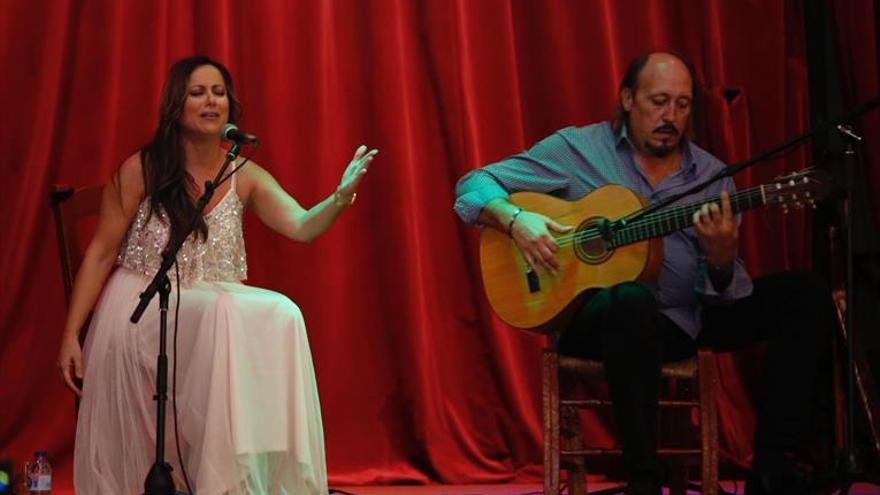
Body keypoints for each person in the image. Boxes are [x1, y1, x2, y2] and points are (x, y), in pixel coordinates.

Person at [454, 52, 831, 495]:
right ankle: (643, 479)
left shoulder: (711, 176)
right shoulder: (576, 150)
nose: (671, 116)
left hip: (685, 318)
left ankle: (772, 463)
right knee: (631, 299)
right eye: (659, 101)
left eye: (683, 104)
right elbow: (472, 185)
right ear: (628, 98)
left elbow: (721, 296)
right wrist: (517, 220)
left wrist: (722, 261)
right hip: (596, 319)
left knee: (805, 293)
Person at [56, 55, 377, 494]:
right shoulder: (144, 168)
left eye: (218, 92)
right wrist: (72, 334)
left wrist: (338, 199)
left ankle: (250, 477)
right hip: (144, 305)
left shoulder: (244, 173)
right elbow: (99, 254)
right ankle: (215, 483)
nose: (211, 102)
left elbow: (302, 227)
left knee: (283, 312)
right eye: (198, 92)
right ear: (177, 105)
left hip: (213, 303)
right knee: (226, 313)